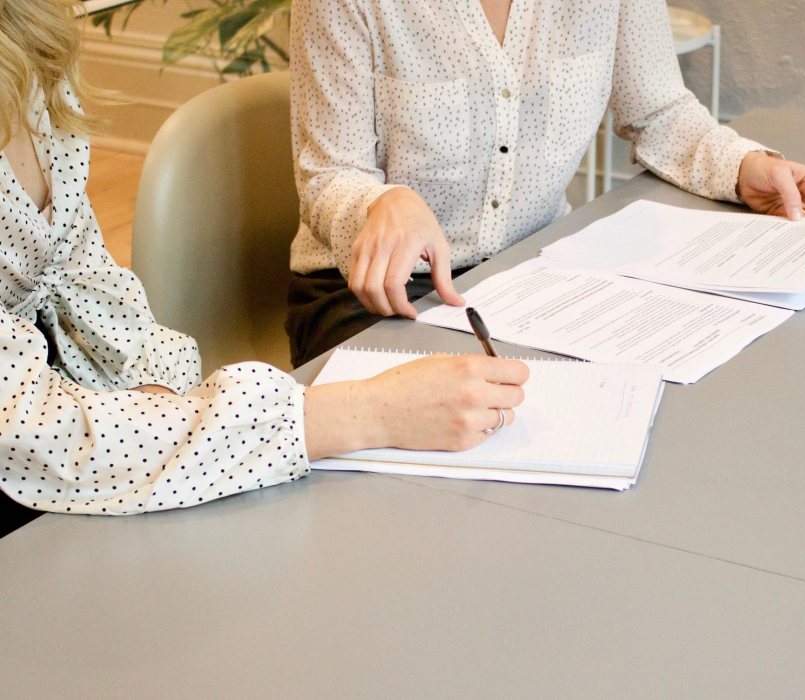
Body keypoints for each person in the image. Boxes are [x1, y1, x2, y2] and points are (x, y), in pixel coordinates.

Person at [0, 0, 528, 537]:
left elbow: (86, 277)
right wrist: (373, 411)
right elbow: (33, 434)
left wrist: (157, 394)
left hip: (97, 433)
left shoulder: (32, 44)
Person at [287, 0, 805, 366]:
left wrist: (745, 167)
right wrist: (382, 202)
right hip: (372, 295)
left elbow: (658, 111)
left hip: (531, 276)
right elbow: (328, 174)